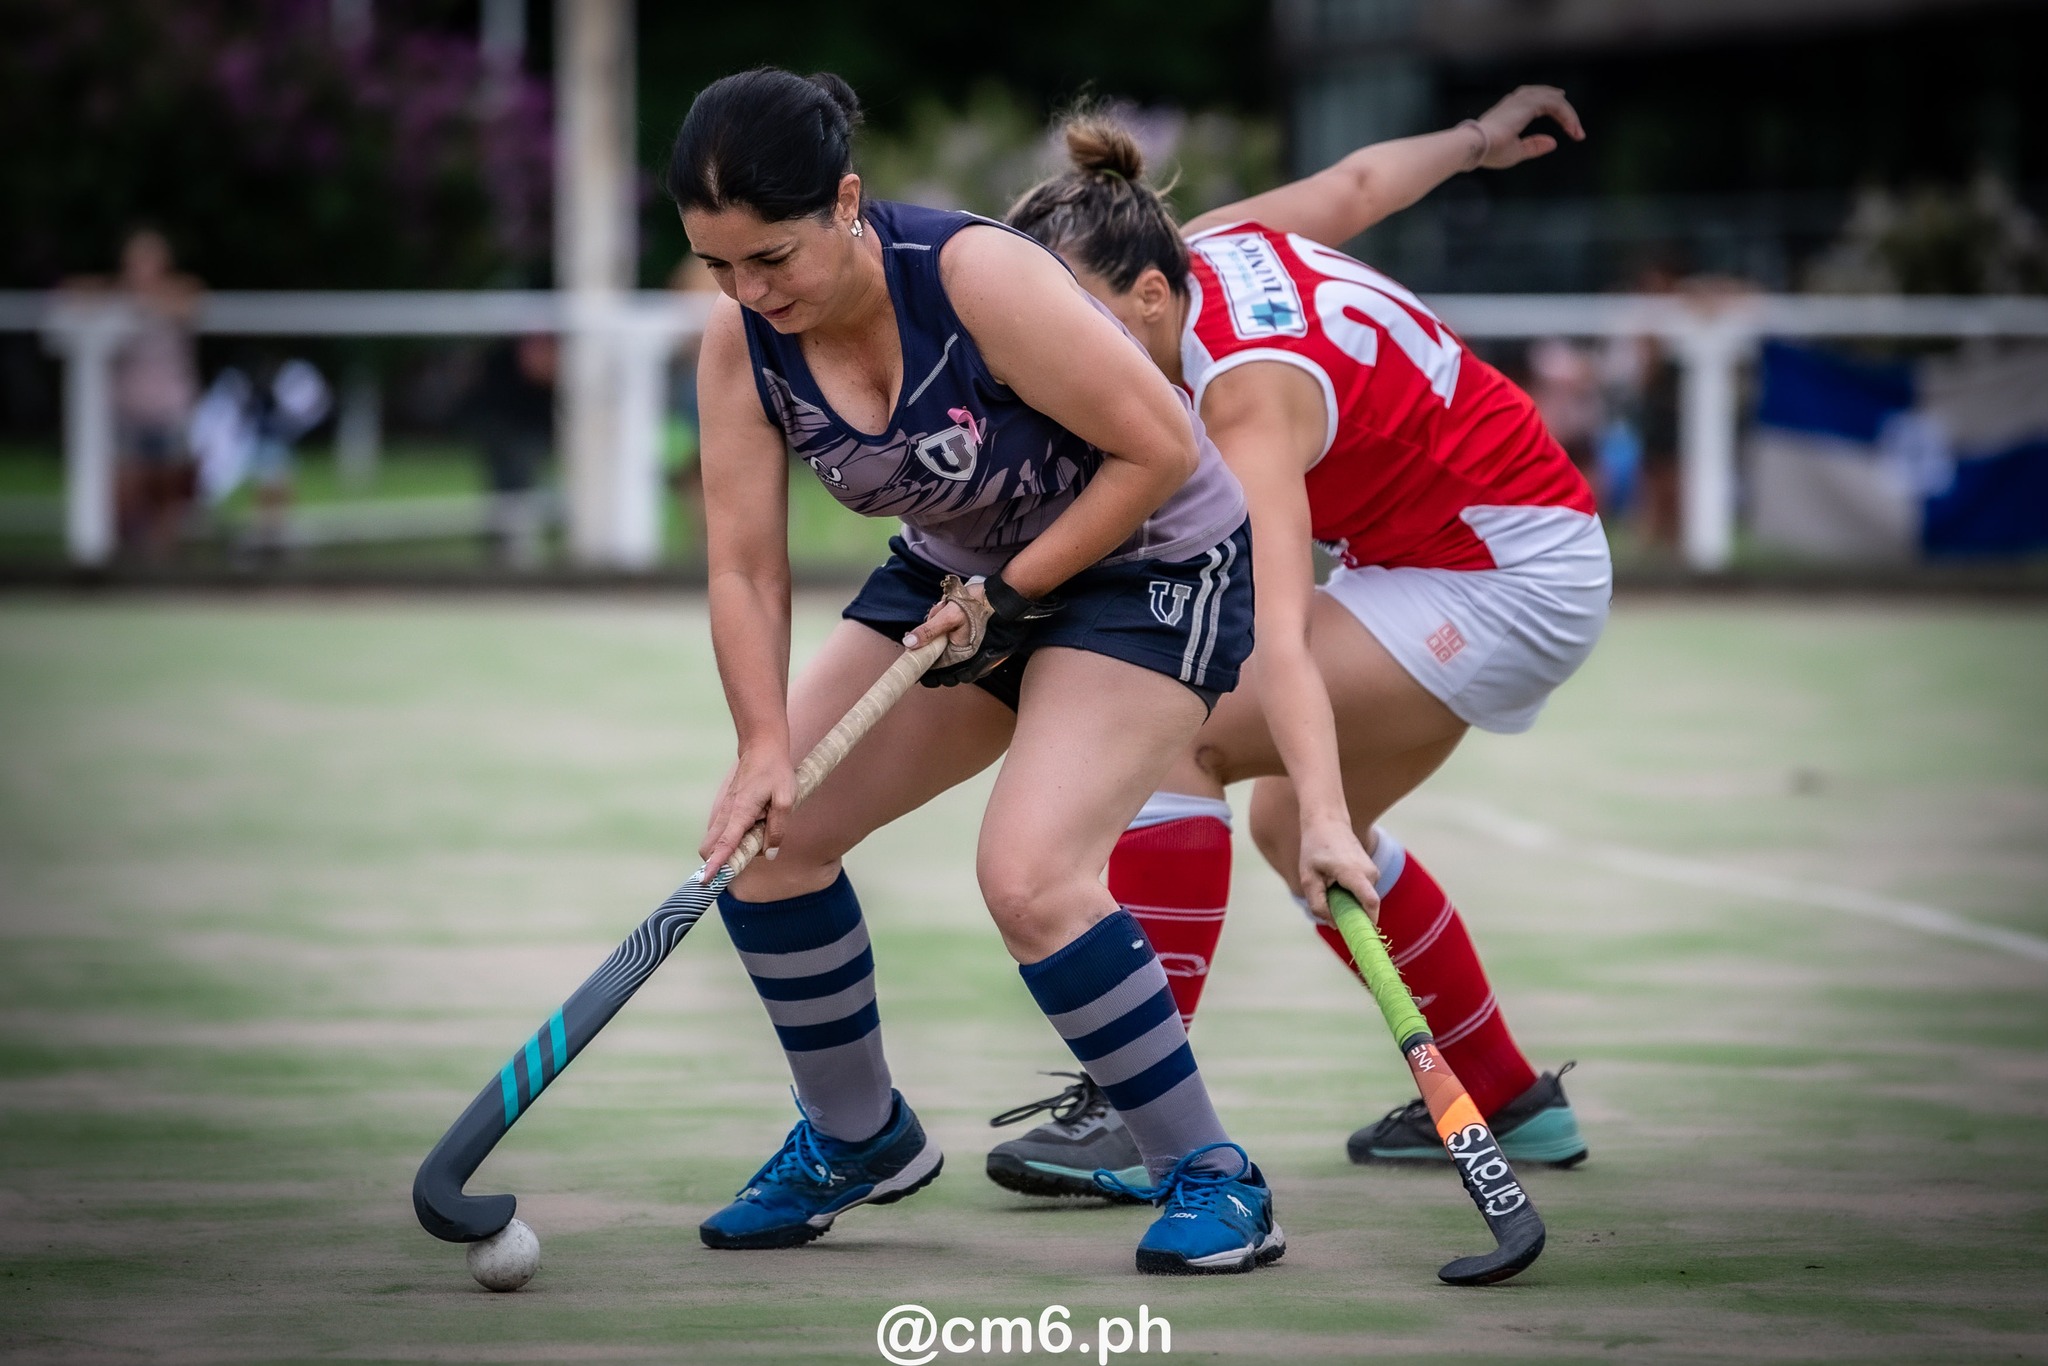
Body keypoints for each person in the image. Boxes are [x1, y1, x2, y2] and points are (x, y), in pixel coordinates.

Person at [669, 69, 1280, 1276]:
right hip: (958, 572)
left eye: (773, 258)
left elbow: (1157, 445)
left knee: (1029, 874)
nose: (752, 294)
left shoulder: (973, 278)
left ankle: (1212, 1175)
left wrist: (1008, 598)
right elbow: (744, 569)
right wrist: (759, 747)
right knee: (765, 842)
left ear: (847, 201)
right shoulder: (744, 344)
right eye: (719, 267)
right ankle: (857, 1138)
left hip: (1147, 558)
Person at [986, 86, 1609, 1197]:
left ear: (1144, 293)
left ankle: (1139, 1110)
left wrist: (1332, 815)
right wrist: (1472, 140)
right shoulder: (1199, 250)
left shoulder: (1247, 396)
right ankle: (1507, 1098)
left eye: (1071, 324)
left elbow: (1272, 636)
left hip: (1503, 570)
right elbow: (1359, 186)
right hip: (1444, 545)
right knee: (1279, 826)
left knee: (1184, 734)